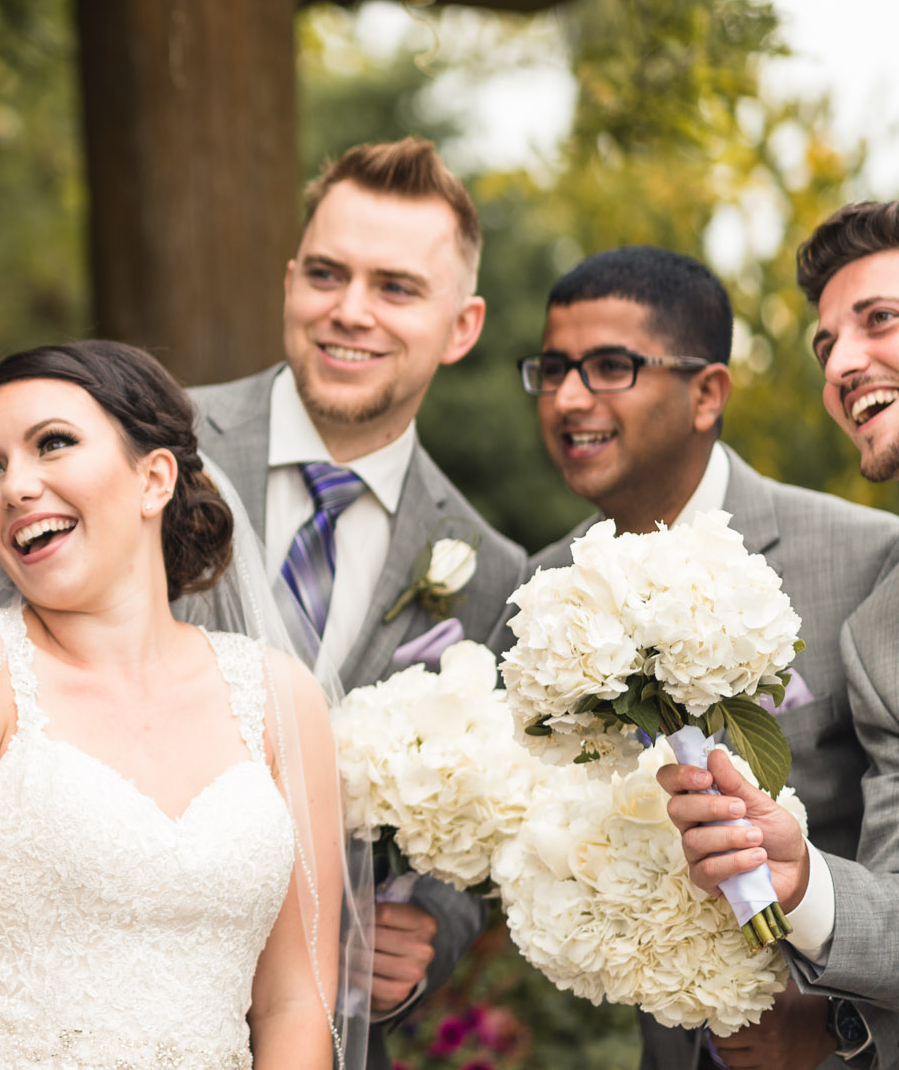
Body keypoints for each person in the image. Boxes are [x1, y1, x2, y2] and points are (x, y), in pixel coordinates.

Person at [0, 341, 348, 1070]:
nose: (14, 486)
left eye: (52, 443)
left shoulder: (281, 697)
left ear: (155, 479)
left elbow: (296, 1001)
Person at [182, 137, 525, 1053]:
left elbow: (473, 843)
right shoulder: (153, 445)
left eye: (397, 287)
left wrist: (429, 938)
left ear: (462, 325)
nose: (350, 311)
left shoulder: (491, 573)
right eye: (326, 274)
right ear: (290, 281)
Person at [518, 245, 899, 1070]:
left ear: (707, 392)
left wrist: (835, 1019)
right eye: (551, 370)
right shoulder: (545, 591)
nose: (569, 397)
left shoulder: (868, 557)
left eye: (609, 365)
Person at [667, 201, 899, 1070]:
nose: (842, 361)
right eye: (825, 344)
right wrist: (803, 881)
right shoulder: (880, 634)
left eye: (879, 319)